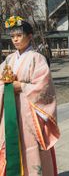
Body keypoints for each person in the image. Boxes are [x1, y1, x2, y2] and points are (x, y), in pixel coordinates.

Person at [0, 16, 60, 176]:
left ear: (30, 36)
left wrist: (22, 86)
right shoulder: (8, 60)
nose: (15, 40)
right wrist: (4, 87)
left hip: (30, 114)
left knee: (30, 146)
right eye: (13, 36)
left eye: (19, 35)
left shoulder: (37, 58)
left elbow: (45, 87)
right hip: (10, 112)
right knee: (11, 144)